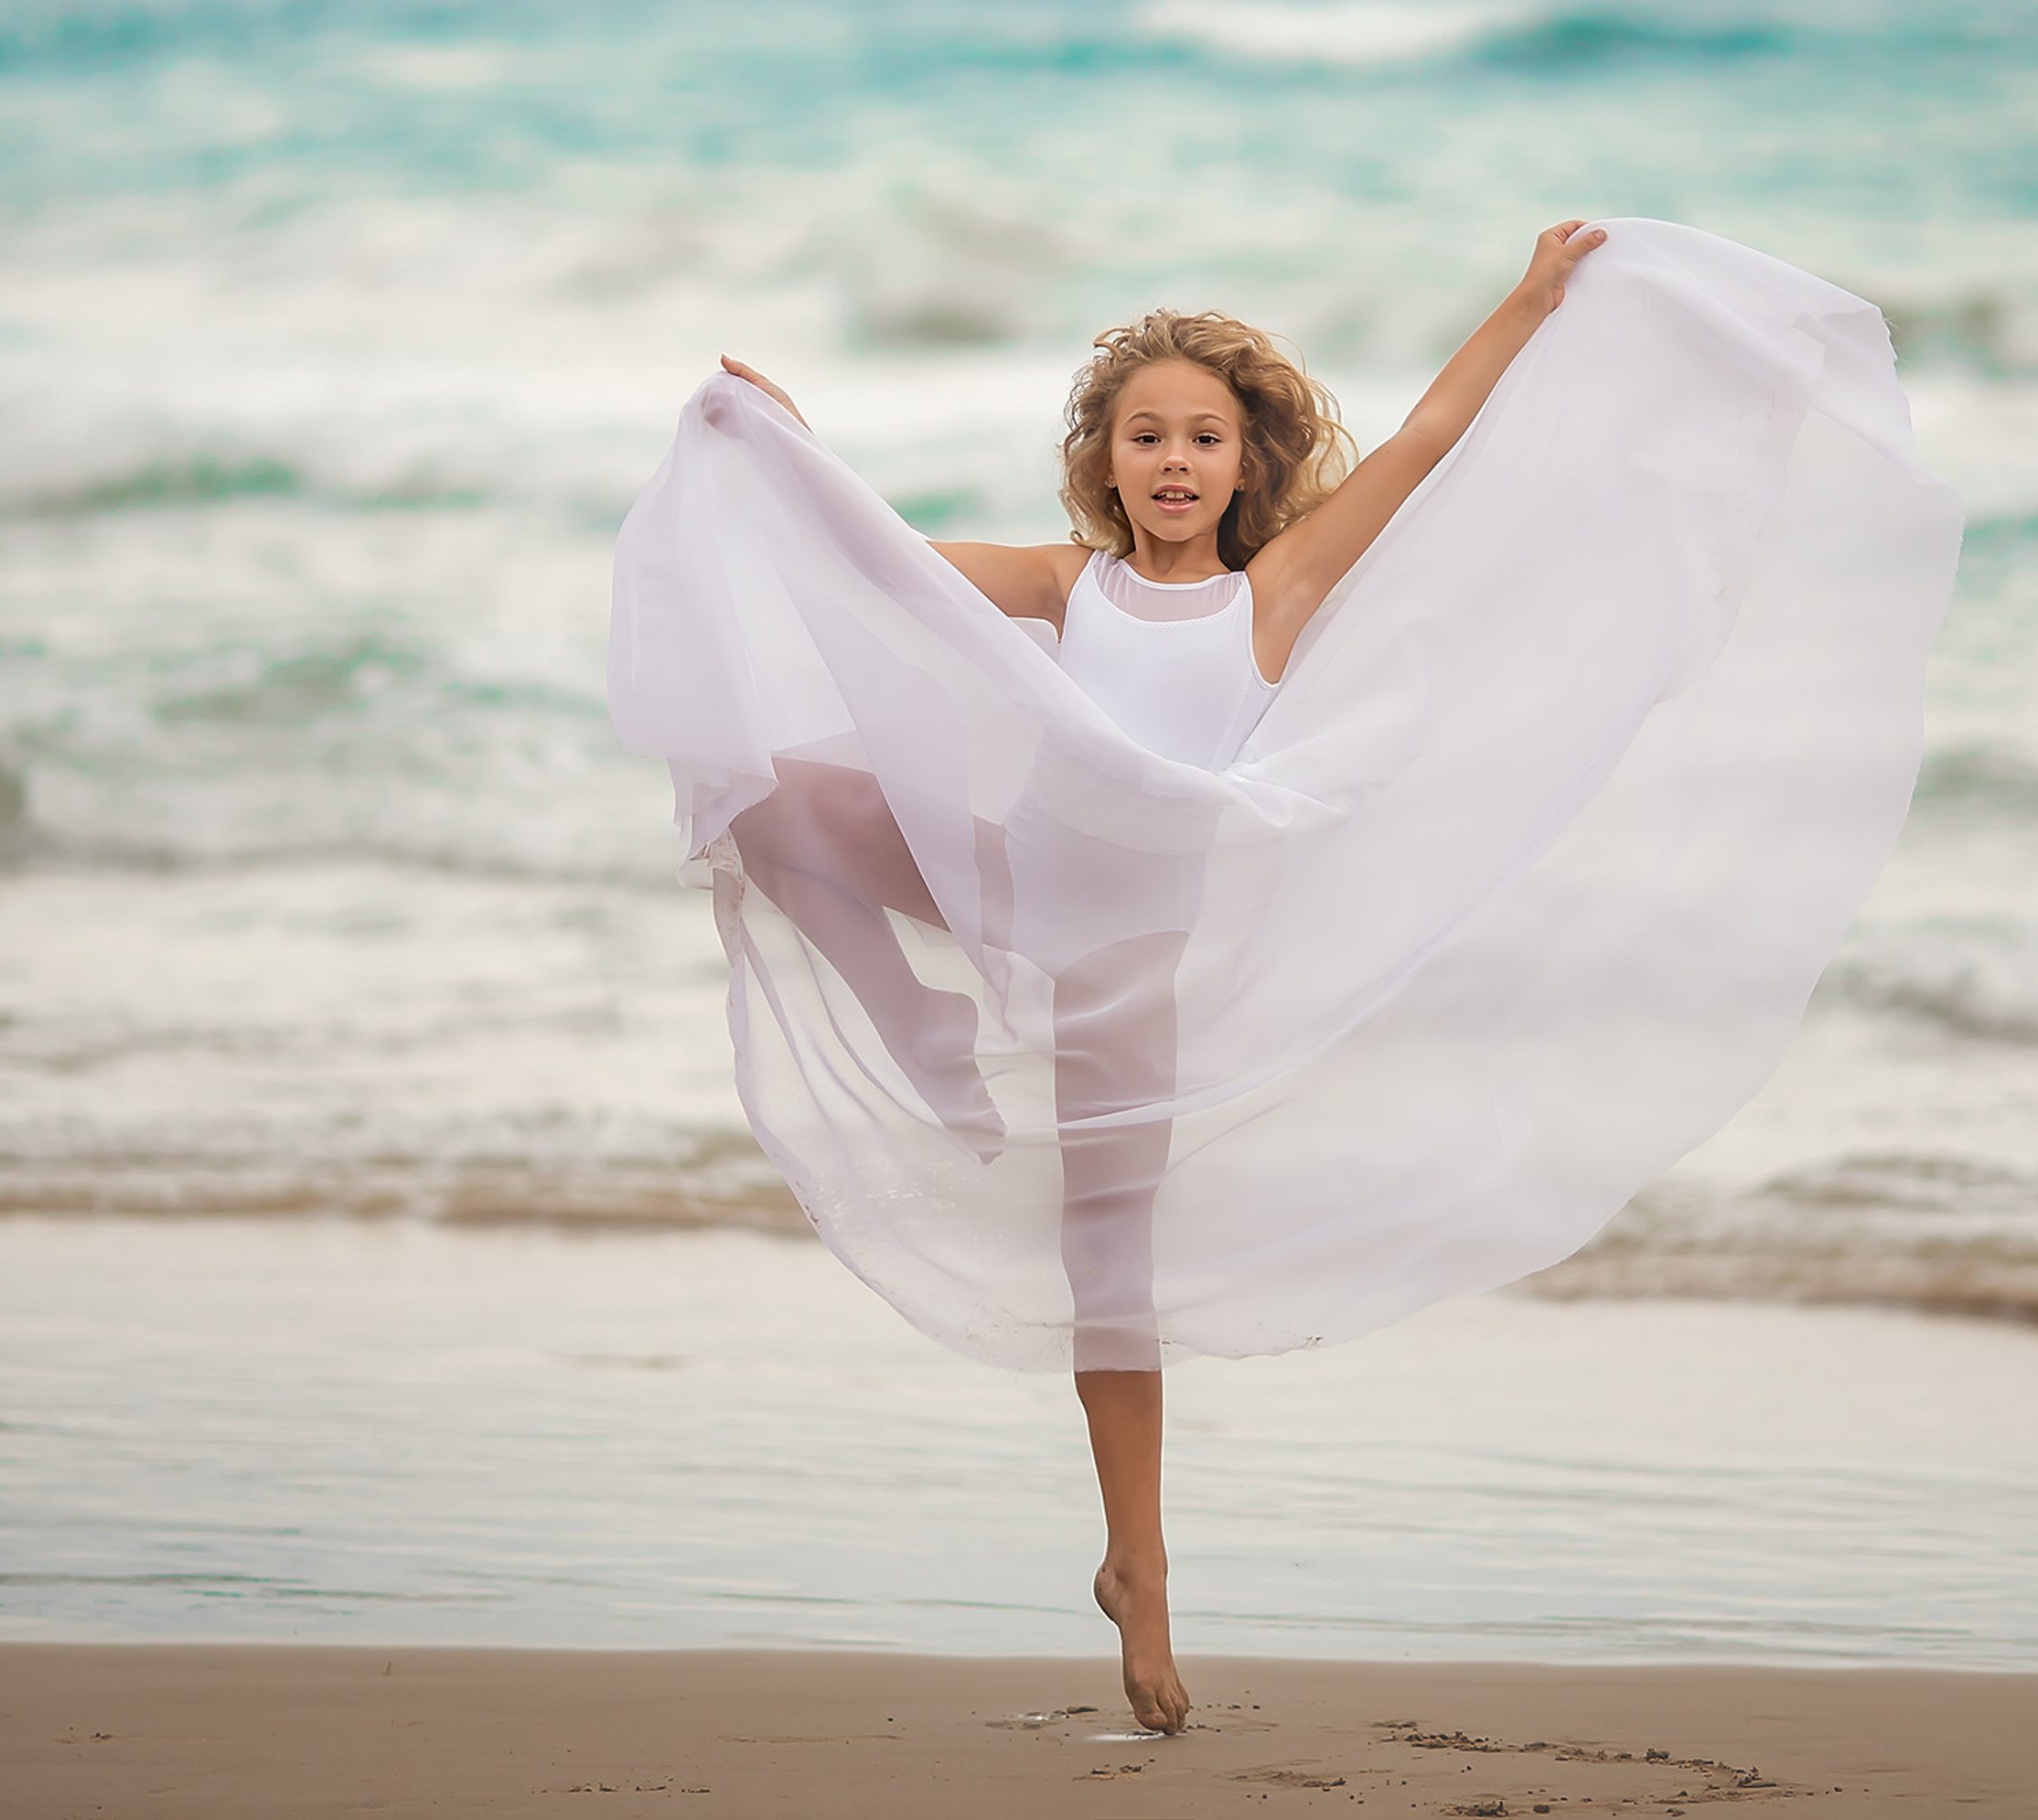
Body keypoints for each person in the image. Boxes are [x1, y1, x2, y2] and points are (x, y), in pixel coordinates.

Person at [607, 216, 1959, 1735]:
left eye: (1203, 436)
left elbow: (1440, 439)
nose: (1174, 460)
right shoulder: (1066, 585)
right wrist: (786, 450)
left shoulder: (1282, 593)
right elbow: (889, 569)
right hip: (1004, 877)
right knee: (754, 792)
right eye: (1144, 437)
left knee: (1106, 1268)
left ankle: (1142, 1569)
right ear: (1104, 460)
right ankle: (919, 1017)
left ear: (1250, 462)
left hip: (1125, 954)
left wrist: (1527, 298)